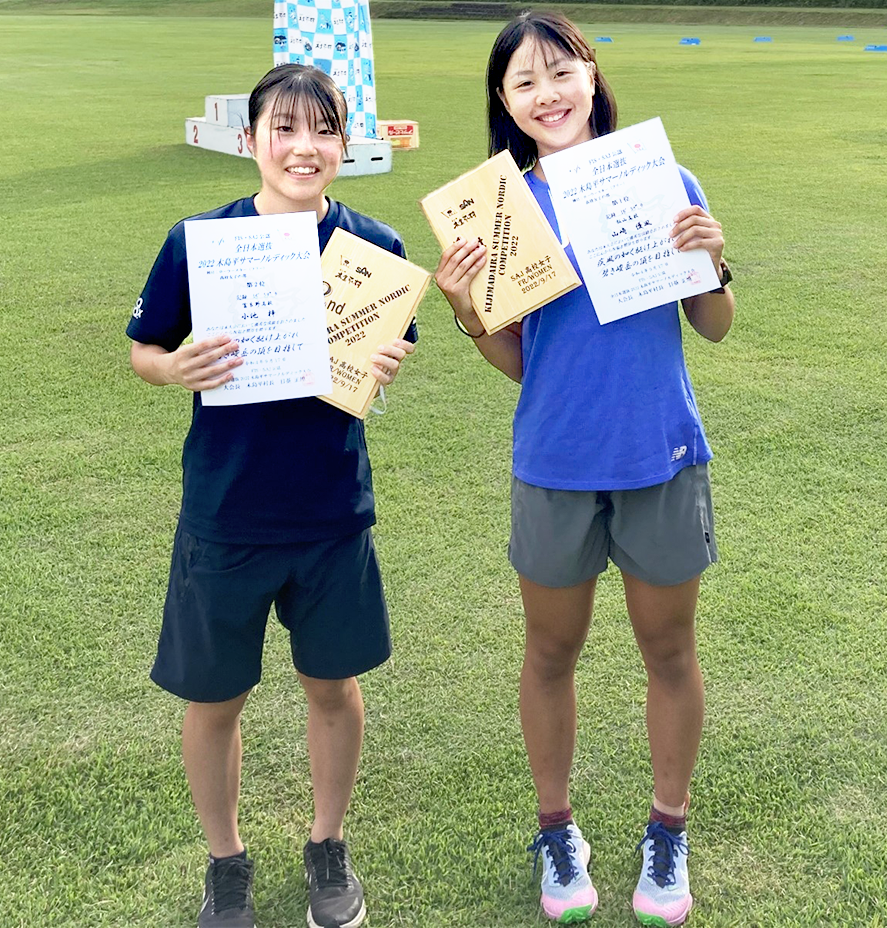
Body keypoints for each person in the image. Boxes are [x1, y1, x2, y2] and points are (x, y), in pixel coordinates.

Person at [435, 12, 734, 927]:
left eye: (559, 70)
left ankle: (667, 830)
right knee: (551, 651)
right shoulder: (503, 213)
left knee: (669, 650)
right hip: (557, 460)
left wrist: (708, 261)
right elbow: (527, 364)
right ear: (505, 103)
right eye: (524, 82)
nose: (547, 93)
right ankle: (557, 830)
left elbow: (714, 327)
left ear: (592, 75)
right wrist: (469, 309)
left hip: (659, 452)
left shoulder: (659, 180)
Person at [127, 64, 416, 928]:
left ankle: (328, 845)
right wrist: (171, 367)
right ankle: (226, 863)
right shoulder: (199, 241)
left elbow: (380, 358)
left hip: (331, 510)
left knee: (333, 687)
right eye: (283, 129)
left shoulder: (377, 248)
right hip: (227, 511)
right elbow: (146, 349)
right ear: (250, 140)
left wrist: (386, 366)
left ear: (343, 143)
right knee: (214, 699)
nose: (303, 146)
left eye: (322, 129)